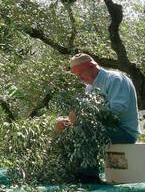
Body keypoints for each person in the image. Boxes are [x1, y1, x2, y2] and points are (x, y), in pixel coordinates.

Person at [56, 53, 139, 183]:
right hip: (104, 130)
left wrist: (85, 115)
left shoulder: (115, 79)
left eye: (80, 74)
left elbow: (119, 108)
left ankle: (88, 177)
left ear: (91, 67)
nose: (79, 79)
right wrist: (67, 121)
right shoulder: (90, 88)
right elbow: (84, 114)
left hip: (124, 132)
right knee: (66, 130)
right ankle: (66, 172)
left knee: (85, 131)